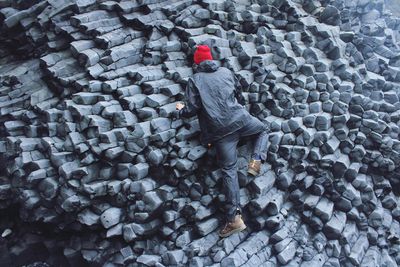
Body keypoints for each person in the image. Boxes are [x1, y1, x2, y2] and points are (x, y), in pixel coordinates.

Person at [174, 45, 269, 238]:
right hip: (241, 120)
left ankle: (234, 219)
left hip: (220, 132)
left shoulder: (195, 80)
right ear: (211, 59)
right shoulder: (226, 71)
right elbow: (239, 93)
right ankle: (256, 160)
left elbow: (191, 109)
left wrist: (180, 109)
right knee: (264, 129)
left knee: (229, 171)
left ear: (197, 63)